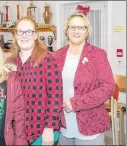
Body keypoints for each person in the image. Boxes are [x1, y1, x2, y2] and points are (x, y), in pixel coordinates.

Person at [55, 14, 116, 145]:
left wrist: (76, 103)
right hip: (63, 123)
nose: (76, 31)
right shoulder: (57, 55)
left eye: (81, 28)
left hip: (90, 123)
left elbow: (108, 87)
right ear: (66, 30)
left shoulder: (98, 55)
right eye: (72, 27)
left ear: (87, 31)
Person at [8, 17, 63, 145]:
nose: (24, 36)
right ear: (16, 35)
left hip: (40, 130)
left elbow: (55, 96)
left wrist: (49, 128)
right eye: (20, 32)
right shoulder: (10, 62)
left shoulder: (48, 60)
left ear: (35, 35)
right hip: (17, 130)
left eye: (29, 32)